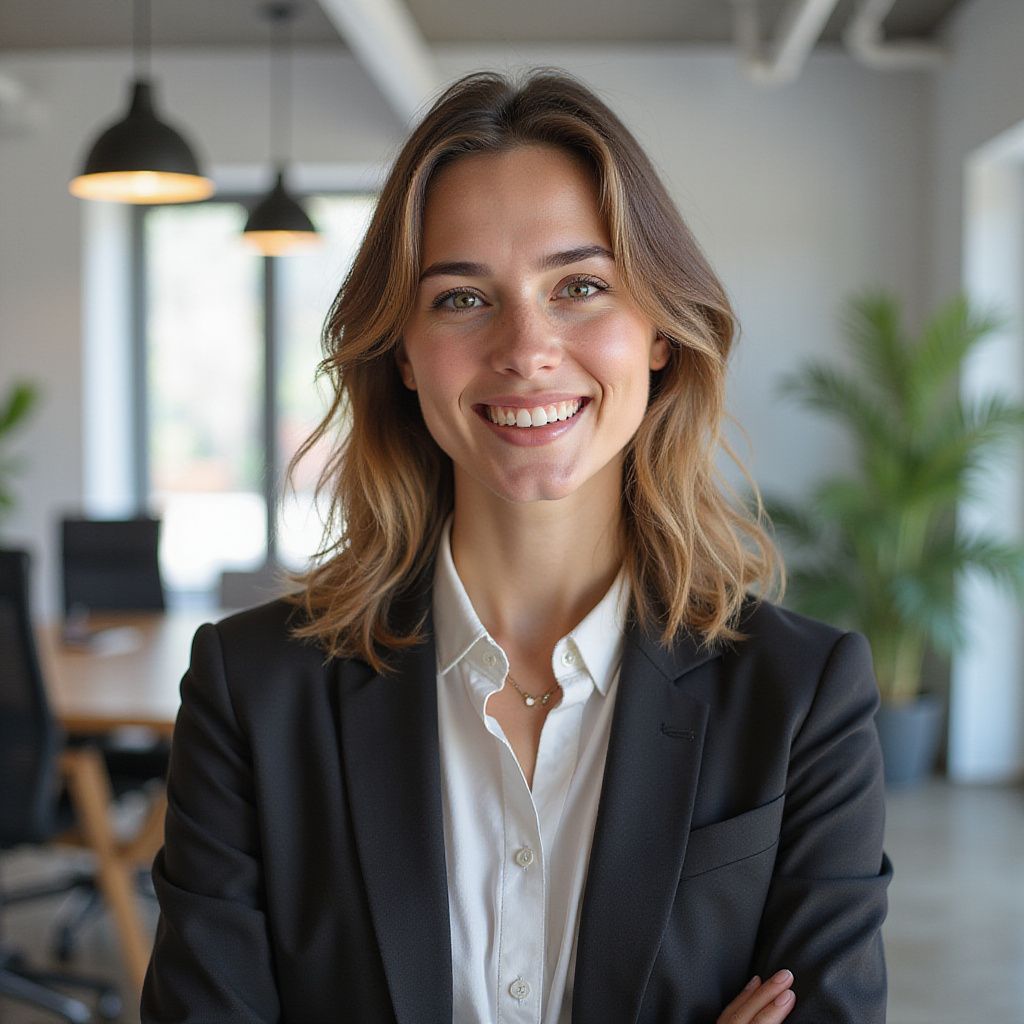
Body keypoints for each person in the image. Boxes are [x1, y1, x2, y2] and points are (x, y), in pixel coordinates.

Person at [141, 69, 891, 1024]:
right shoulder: (253, 692)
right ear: (402, 352)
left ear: (658, 330)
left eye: (580, 286)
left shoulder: (803, 695)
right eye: (460, 299)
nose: (527, 348)